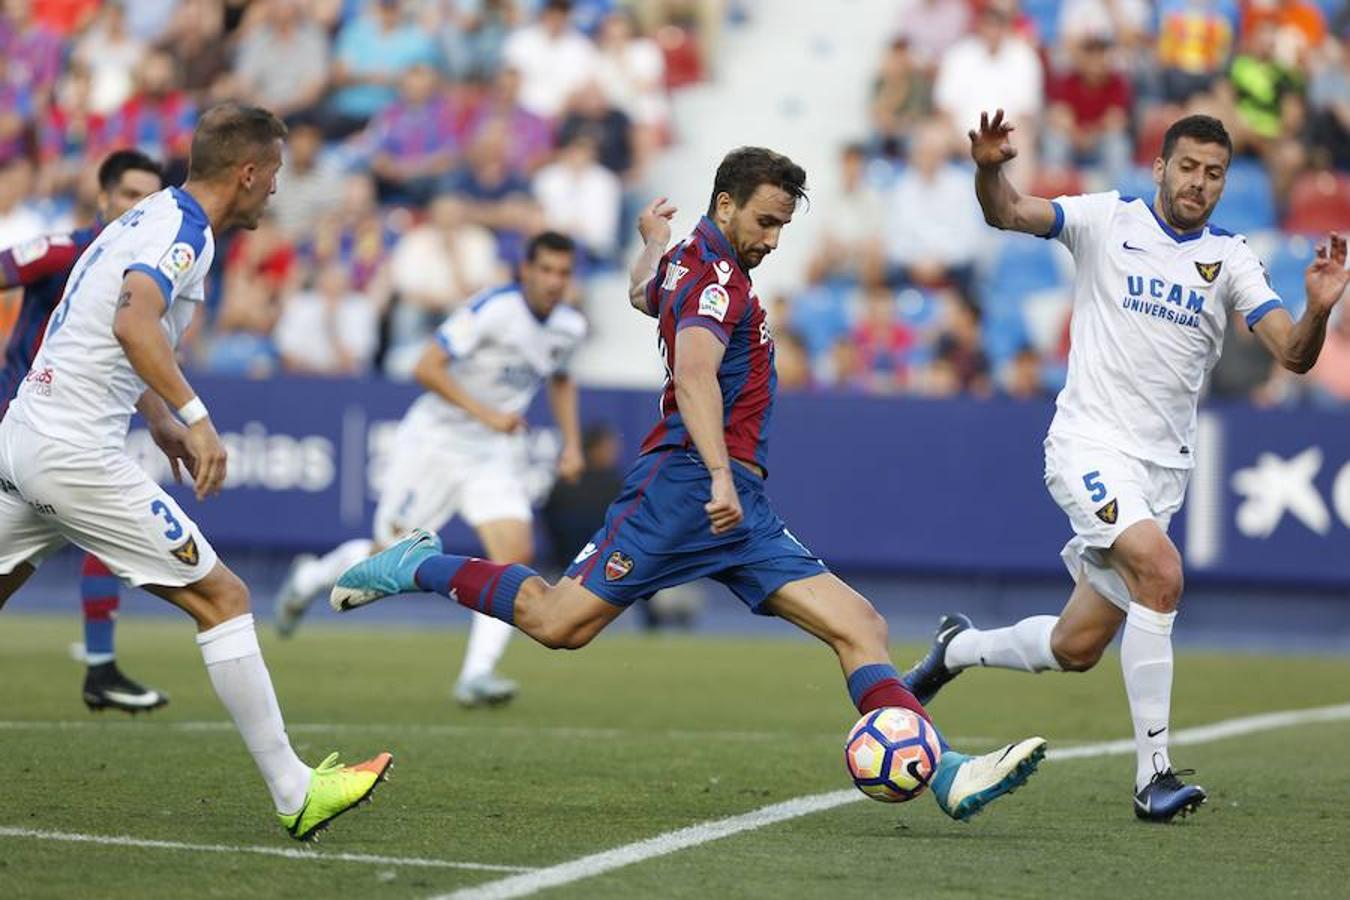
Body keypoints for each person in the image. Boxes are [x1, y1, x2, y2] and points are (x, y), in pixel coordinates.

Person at [330, 147, 1048, 821]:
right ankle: (415, 562)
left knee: (860, 625)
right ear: (726, 204)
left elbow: (647, 292)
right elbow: (695, 374)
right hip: (684, 489)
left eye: (784, 227)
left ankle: (946, 772)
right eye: (765, 221)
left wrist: (649, 239)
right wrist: (715, 475)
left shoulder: (689, 261)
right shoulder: (712, 279)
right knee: (557, 624)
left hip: (740, 503)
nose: (773, 240)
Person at [905, 110, 1349, 822]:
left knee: (1075, 646)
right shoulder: (1104, 220)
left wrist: (1319, 308)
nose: (1198, 183)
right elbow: (1010, 212)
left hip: (1160, 472)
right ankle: (1154, 777)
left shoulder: (1231, 258)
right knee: (1163, 572)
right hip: (1088, 445)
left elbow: (1293, 354)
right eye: (1187, 167)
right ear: (1160, 168)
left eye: (1213, 174)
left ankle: (957, 648)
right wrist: (990, 168)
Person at [0, 104, 392, 841]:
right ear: (246, 173)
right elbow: (131, 323)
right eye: (272, 174)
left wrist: (158, 419)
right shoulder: (182, 234)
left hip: (22, 434)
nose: (275, 190)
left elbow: (89, 325)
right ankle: (294, 790)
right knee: (224, 597)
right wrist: (198, 415)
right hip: (72, 451)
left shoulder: (147, 216)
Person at [274, 231, 587, 709]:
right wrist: (485, 413)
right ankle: (309, 579)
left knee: (513, 556)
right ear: (525, 269)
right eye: (544, 270)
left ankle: (477, 674)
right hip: (435, 442)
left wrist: (572, 443)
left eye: (562, 273)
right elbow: (426, 367)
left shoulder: (568, 327)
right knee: (389, 554)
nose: (552, 281)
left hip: (491, 453)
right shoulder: (492, 309)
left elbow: (562, 379)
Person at [0, 149, 169, 713]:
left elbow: (131, 355)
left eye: (151, 198)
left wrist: (163, 418)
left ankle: (101, 668)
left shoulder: (146, 274)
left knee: (94, 534)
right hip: (19, 423)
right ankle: (101, 668)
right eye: (128, 196)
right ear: (103, 199)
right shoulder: (64, 251)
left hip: (74, 433)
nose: (138, 208)